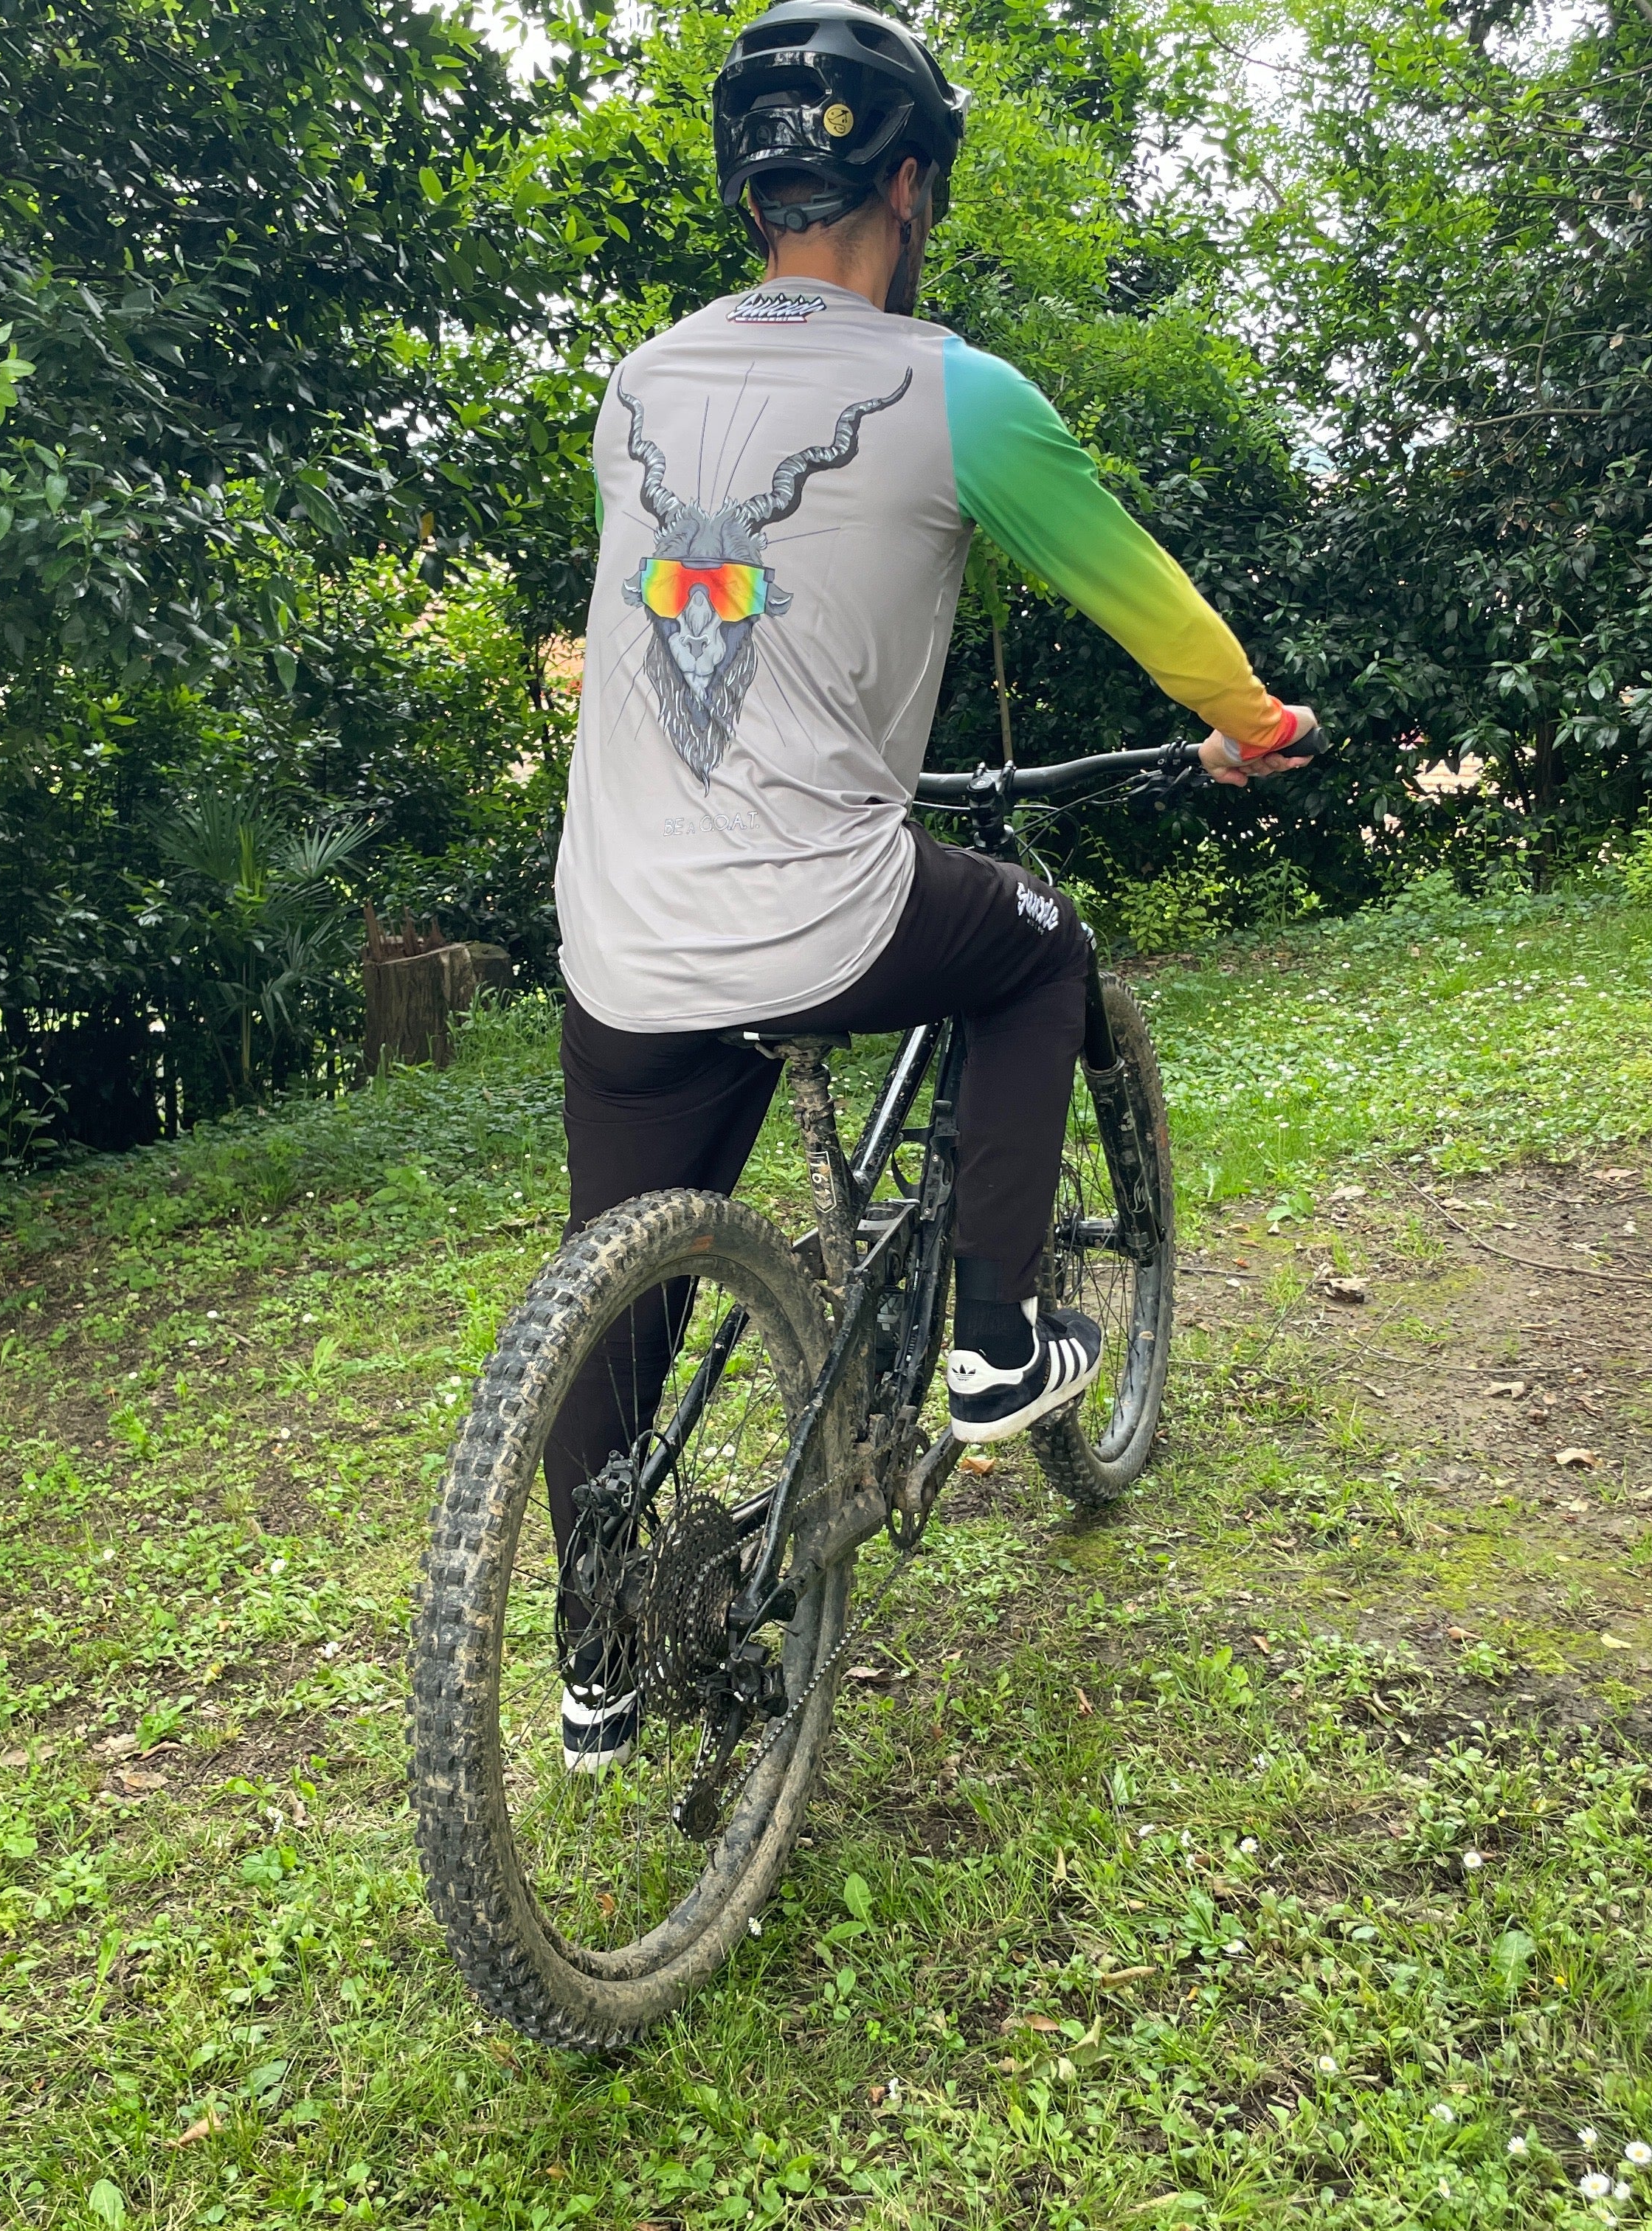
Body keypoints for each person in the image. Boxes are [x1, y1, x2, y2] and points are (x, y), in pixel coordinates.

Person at [545, 0, 1314, 1769]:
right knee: (1040, 953)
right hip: (822, 910)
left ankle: (596, 1662)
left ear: (754, 195)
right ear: (910, 187)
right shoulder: (952, 393)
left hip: (617, 933)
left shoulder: (640, 389)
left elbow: (713, 611)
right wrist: (1255, 726)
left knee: (614, 1281)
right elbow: (1153, 607)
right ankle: (995, 1344)